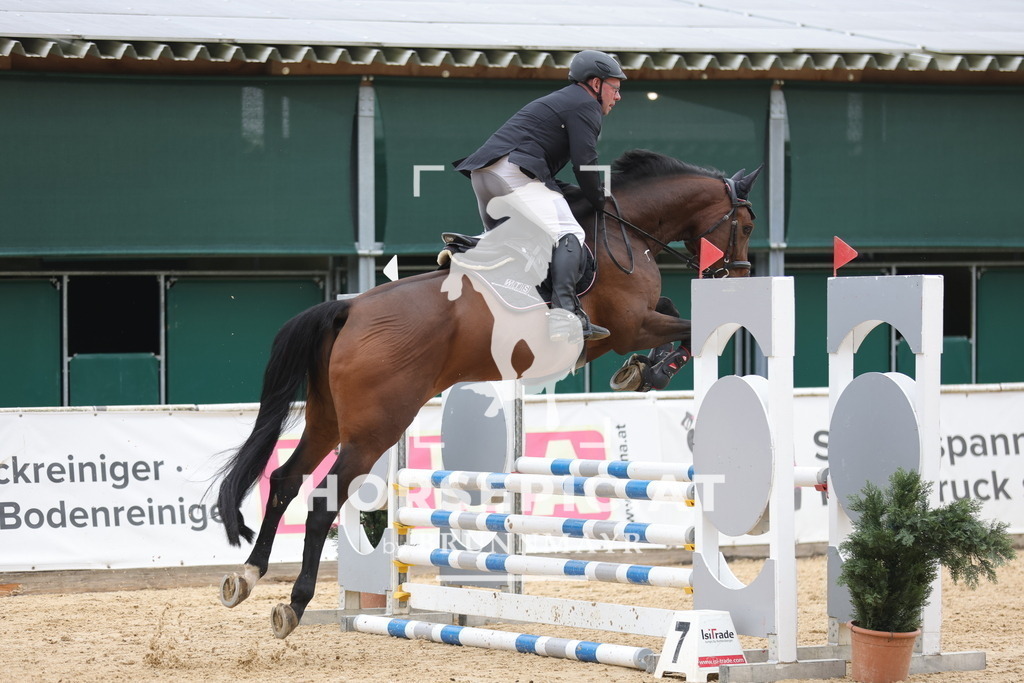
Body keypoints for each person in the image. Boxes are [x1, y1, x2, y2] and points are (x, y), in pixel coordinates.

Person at [453, 49, 626, 342]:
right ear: (596, 84)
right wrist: (599, 201)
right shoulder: (586, 105)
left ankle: (468, 248)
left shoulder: (567, 99)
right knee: (569, 232)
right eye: (615, 88)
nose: (618, 97)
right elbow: (585, 162)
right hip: (513, 172)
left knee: (517, 238)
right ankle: (564, 315)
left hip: (485, 175)